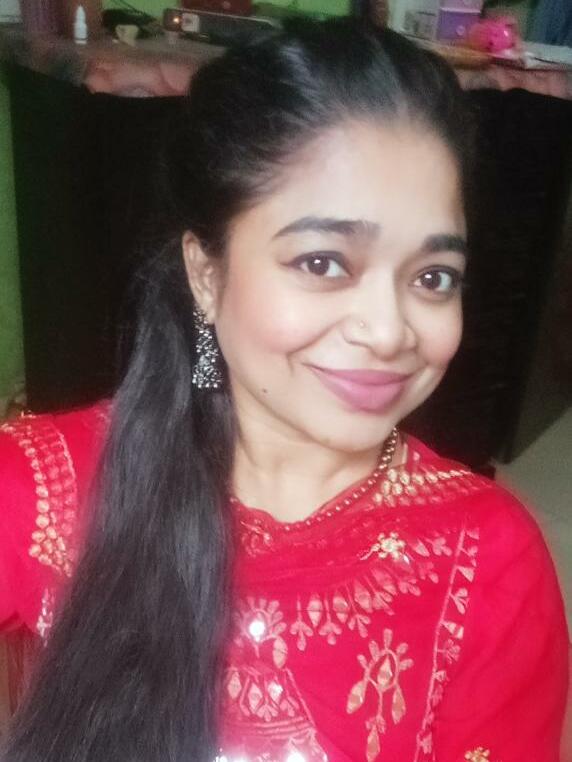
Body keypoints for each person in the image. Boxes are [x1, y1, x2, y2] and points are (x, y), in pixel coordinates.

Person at [0, 18, 568, 762]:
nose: (388, 331)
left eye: (433, 278)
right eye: (323, 262)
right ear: (206, 275)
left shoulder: (491, 562)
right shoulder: (39, 485)